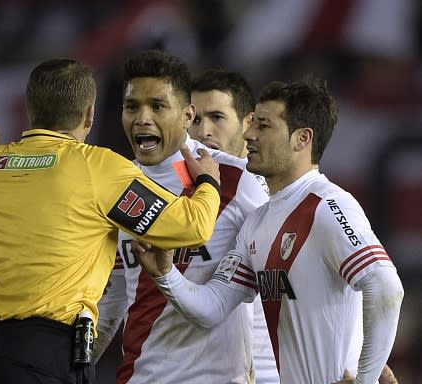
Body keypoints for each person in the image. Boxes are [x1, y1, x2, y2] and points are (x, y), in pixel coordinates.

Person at [0, 58, 224, 384]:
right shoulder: (97, 168)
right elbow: (193, 228)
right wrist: (209, 183)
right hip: (46, 353)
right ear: (89, 114)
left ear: (30, 110)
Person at [134, 76, 404, 384]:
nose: (248, 134)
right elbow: (213, 307)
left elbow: (385, 286)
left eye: (263, 126)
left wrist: (366, 379)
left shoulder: (328, 206)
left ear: (302, 138)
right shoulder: (257, 222)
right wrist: (166, 275)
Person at [94, 50, 271, 384]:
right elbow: (114, 298)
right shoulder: (113, 187)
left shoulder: (235, 180)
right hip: (141, 376)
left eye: (157, 106)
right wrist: (72, 368)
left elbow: (284, 278)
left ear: (187, 115)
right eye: (132, 107)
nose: (142, 118)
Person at [190, 69, 279, 384]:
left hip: (266, 371)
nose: (203, 132)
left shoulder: (267, 193)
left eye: (217, 117)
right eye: (195, 119)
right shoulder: (183, 193)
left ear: (249, 124)